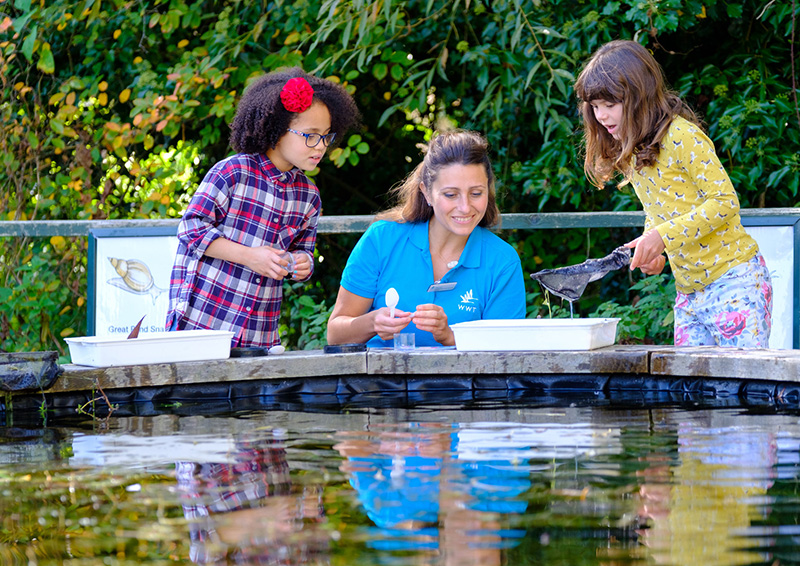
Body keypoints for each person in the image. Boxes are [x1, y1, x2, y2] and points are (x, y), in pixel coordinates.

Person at [574, 40, 772, 347]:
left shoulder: (682, 136)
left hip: (735, 284)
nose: (600, 116)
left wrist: (662, 237)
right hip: (688, 293)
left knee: (741, 388)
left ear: (639, 97)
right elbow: (659, 208)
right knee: (692, 392)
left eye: (609, 105)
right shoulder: (631, 149)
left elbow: (725, 202)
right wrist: (653, 246)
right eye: (595, 107)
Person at [166, 68, 361, 349]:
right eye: (310, 135)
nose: (320, 147)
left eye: (327, 136)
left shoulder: (308, 196)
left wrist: (299, 264)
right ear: (277, 130)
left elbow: (302, 256)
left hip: (258, 335)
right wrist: (249, 256)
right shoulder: (232, 172)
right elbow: (190, 229)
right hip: (201, 323)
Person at [326, 129, 526, 348]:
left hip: (464, 383)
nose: (465, 207)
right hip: (377, 381)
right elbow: (336, 335)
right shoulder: (381, 239)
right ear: (427, 192)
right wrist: (372, 323)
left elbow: (507, 350)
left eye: (476, 193)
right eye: (451, 194)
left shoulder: (503, 261)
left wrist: (450, 337)